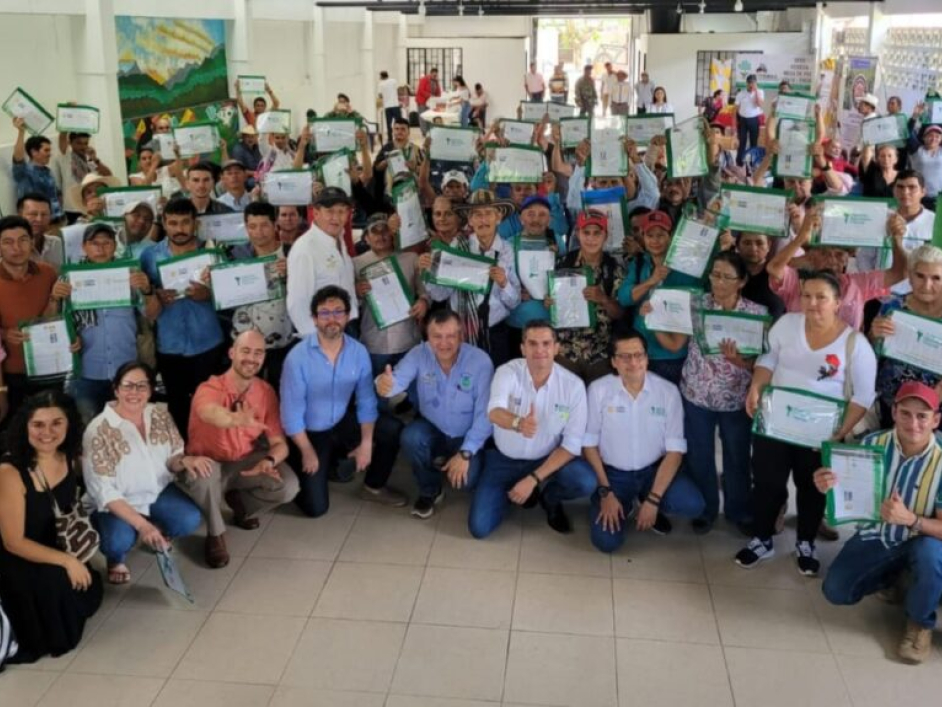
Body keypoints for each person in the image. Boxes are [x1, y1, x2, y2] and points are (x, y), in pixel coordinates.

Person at [736, 270, 878, 576]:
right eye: (806, 296)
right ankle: (762, 539)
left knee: (812, 486)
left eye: (821, 297)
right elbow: (768, 359)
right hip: (774, 423)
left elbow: (863, 395)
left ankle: (805, 542)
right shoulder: (787, 324)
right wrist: (756, 388)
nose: (812, 303)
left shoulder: (855, 344)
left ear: (838, 302)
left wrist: (839, 433)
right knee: (767, 482)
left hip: (820, 432)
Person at [818, 382, 942, 665]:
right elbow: (846, 496)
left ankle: (919, 624)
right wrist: (826, 485)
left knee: (930, 556)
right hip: (880, 535)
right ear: (894, 412)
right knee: (836, 591)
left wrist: (911, 519)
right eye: (906, 413)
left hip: (924, 539)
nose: (913, 423)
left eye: (922, 416)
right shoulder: (871, 444)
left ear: (936, 419)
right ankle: (896, 577)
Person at [281, 286, 406, 517]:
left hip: (340, 420)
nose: (332, 319)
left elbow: (367, 402)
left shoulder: (358, 352)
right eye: (325, 313)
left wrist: (367, 443)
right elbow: (291, 415)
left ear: (348, 316)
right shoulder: (297, 358)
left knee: (392, 429)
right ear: (314, 319)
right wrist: (307, 450)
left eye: (338, 312)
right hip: (308, 433)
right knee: (315, 508)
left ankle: (372, 485)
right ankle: (303, 464)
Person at [0, 390, 102, 663]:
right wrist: (67, 561)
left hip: (51, 541)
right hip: (14, 555)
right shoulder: (10, 472)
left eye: (57, 423)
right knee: (57, 582)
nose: (47, 432)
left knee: (81, 583)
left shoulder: (66, 456)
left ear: (69, 425)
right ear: (25, 427)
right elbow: (13, 542)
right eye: (38, 424)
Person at [469, 320, 596, 537]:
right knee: (479, 528)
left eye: (546, 343)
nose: (540, 350)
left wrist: (533, 479)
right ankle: (514, 495)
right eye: (533, 343)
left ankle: (549, 497)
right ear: (522, 348)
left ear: (557, 348)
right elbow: (494, 411)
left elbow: (572, 445)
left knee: (585, 480)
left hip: (545, 460)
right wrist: (518, 423)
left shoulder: (573, 386)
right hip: (503, 459)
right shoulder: (507, 372)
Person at [183, 331, 300, 568]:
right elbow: (210, 412)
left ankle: (241, 506)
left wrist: (269, 460)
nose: (251, 358)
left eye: (258, 353)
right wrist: (233, 420)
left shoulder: (265, 392)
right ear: (232, 353)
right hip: (208, 461)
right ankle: (216, 535)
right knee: (204, 477)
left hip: (243, 461)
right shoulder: (209, 387)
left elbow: (280, 444)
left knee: (288, 486)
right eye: (245, 351)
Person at [585, 329, 705, 552]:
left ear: (647, 358)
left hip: (653, 472)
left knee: (692, 504)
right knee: (606, 543)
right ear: (613, 362)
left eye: (639, 355)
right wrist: (605, 491)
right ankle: (624, 502)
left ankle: (644, 500)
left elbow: (675, 451)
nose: (633, 362)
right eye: (625, 356)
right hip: (613, 476)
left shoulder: (667, 392)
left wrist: (653, 500)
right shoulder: (598, 390)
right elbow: (589, 445)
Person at [82, 362, 203, 582]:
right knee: (116, 542)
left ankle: (154, 528)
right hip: (117, 502)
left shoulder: (159, 414)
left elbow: (172, 459)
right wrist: (142, 526)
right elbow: (103, 491)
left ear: (150, 390)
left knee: (189, 520)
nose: (134, 393)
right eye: (128, 386)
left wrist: (186, 460)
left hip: (156, 491)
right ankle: (116, 557)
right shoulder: (98, 429)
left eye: (141, 386)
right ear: (116, 389)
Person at [677, 252, 767, 534]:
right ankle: (706, 508)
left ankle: (738, 510)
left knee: (737, 456)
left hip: (736, 398)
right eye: (715, 274)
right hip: (697, 394)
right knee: (700, 454)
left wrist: (743, 362)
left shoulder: (757, 313)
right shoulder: (695, 303)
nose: (718, 281)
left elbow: (765, 362)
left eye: (727, 276)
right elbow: (673, 334)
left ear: (741, 281)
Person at [377, 310, 494, 519]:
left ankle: (457, 460)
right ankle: (430, 490)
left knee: (467, 482)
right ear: (427, 337)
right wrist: (383, 384)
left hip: (466, 435)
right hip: (433, 427)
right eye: (436, 336)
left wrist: (466, 453)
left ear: (461, 336)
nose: (444, 343)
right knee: (411, 437)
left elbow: (486, 415)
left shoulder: (480, 362)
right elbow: (395, 382)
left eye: (451, 336)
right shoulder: (418, 354)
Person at [140, 198, 225, 435]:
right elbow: (146, 308)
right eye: (173, 223)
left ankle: (210, 456)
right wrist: (156, 295)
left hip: (208, 342)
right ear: (164, 224)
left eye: (185, 223)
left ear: (195, 224)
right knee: (177, 405)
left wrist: (208, 294)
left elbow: (230, 296)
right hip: (170, 344)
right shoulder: (149, 257)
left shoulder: (212, 253)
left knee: (210, 404)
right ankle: (184, 457)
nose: (179, 229)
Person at [56, 223, 154, 422]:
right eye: (94, 243)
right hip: (85, 371)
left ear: (114, 245)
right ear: (84, 247)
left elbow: (153, 314)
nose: (100, 248)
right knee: (87, 431)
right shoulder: (68, 279)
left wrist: (146, 289)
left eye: (107, 243)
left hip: (126, 370)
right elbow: (55, 322)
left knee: (128, 429)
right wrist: (53, 298)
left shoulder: (130, 274)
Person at [426, 190, 521, 367]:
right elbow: (440, 295)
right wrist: (431, 273)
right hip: (461, 334)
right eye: (477, 214)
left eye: (488, 214)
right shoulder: (459, 246)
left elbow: (514, 302)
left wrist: (504, 283)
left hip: (495, 334)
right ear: (470, 220)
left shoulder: (507, 250)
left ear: (498, 217)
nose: (483, 220)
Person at [616, 210, 701, 384]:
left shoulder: (686, 267)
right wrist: (651, 281)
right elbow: (624, 298)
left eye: (661, 235)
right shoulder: (639, 263)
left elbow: (694, 302)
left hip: (672, 355)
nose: (655, 241)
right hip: (641, 352)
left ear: (671, 237)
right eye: (650, 235)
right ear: (643, 237)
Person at [871, 245, 942, 427]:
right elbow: (870, 355)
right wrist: (873, 335)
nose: (927, 285)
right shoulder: (892, 306)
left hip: (936, 408)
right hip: (893, 405)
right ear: (909, 276)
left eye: (936, 278)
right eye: (920, 276)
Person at [550, 210, 624, 383]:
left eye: (597, 233)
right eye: (586, 232)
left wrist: (603, 299)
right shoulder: (562, 264)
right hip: (565, 354)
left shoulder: (614, 269)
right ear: (577, 233)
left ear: (605, 235)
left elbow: (620, 314)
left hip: (600, 355)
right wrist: (550, 303)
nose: (591, 238)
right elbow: (553, 304)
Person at [0, 216, 61, 420]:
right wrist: (4, 334)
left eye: (23, 240)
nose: (16, 248)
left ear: (32, 242)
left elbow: (59, 316)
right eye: (8, 242)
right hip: (10, 373)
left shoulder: (48, 273)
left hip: (49, 370)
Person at [228, 202, 294, 387]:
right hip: (243, 344)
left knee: (278, 398)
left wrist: (292, 275)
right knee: (245, 399)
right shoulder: (234, 257)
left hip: (280, 343)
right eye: (252, 226)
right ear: (246, 228)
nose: (259, 232)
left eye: (264, 225)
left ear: (275, 226)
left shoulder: (292, 254)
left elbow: (306, 294)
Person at [354, 213, 428, 379]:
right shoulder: (356, 264)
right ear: (366, 238)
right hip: (374, 341)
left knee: (415, 392)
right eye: (375, 231)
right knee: (377, 392)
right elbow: (348, 301)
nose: (381, 236)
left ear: (393, 233)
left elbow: (424, 291)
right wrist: (356, 291)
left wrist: (423, 301)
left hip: (407, 338)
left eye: (385, 230)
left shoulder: (411, 259)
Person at [286, 187, 359, 338]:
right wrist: (315, 341)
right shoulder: (305, 248)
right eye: (330, 211)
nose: (336, 218)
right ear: (316, 213)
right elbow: (297, 302)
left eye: (341, 211)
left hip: (347, 326)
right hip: (323, 333)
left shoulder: (339, 239)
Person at [10, 118, 63, 222]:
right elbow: (18, 157)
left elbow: (56, 195)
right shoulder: (24, 172)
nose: (49, 154)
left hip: (57, 220)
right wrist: (21, 132)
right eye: (46, 150)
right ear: (34, 152)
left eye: (50, 150)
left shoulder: (47, 171)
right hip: (37, 223)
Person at [737, 232, 785, 320]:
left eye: (759, 243)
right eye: (747, 243)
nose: (753, 248)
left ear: (769, 245)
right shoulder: (728, 273)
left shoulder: (778, 274)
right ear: (738, 246)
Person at [16, 193, 64, 271]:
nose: (39, 219)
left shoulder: (57, 244)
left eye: (44, 214)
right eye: (33, 214)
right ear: (19, 216)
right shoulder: (10, 248)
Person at [735, 74, 764, 166]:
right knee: (742, 142)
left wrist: (755, 92)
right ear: (746, 83)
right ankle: (739, 163)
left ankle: (753, 163)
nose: (751, 85)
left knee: (753, 142)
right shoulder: (741, 93)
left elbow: (759, 104)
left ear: (756, 83)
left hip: (754, 120)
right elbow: (736, 108)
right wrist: (735, 122)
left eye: (753, 83)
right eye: (749, 83)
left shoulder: (760, 92)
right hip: (743, 120)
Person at [416, 67, 442, 134]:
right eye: (434, 75)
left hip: (431, 102)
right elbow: (421, 90)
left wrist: (438, 96)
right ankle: (424, 132)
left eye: (436, 75)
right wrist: (430, 95)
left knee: (429, 117)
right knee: (423, 116)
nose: (435, 76)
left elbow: (438, 91)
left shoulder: (436, 81)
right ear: (430, 73)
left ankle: (429, 131)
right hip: (422, 101)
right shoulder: (424, 79)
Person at [378, 70, 401, 139]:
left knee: (389, 123)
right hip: (395, 105)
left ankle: (390, 138)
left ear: (381, 76)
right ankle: (399, 135)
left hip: (387, 106)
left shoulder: (381, 84)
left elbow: (380, 95)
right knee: (399, 122)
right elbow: (398, 89)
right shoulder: (393, 81)